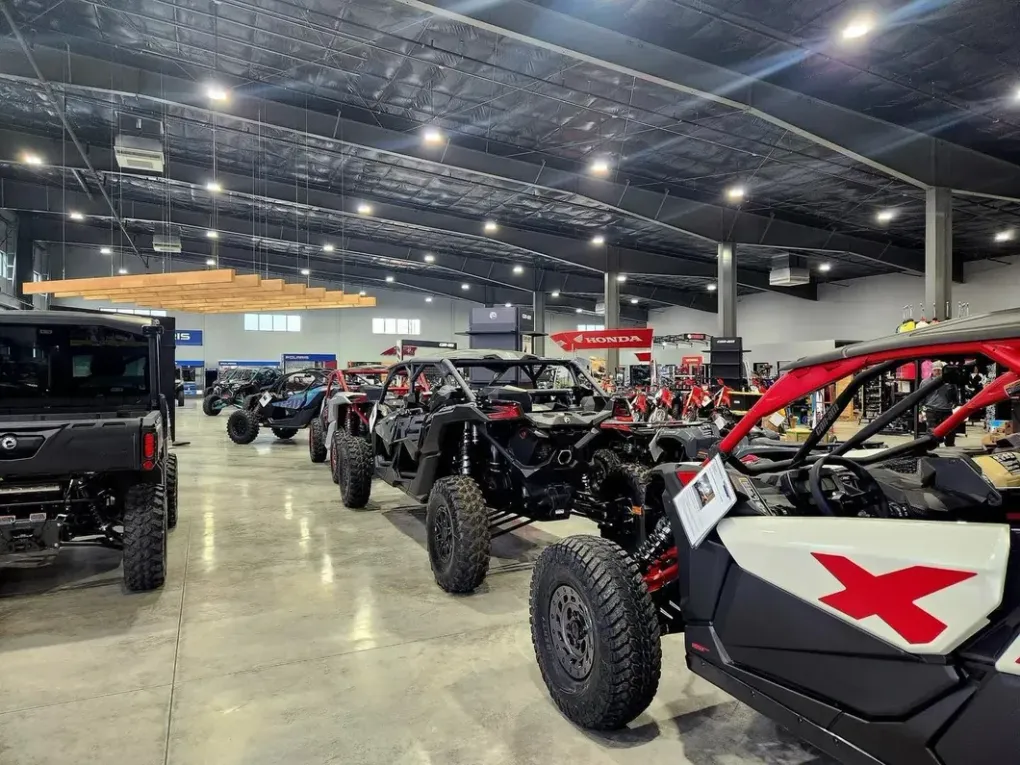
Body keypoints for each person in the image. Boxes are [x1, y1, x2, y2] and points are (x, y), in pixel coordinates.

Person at [923, 362, 960, 446]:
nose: (937, 372)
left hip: (946, 409)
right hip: (931, 409)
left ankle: (950, 445)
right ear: (932, 371)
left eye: (939, 370)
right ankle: (933, 445)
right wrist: (920, 410)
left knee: (950, 429)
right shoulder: (925, 382)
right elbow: (922, 396)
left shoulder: (949, 382)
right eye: (935, 370)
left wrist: (955, 402)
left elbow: (955, 394)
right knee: (932, 430)